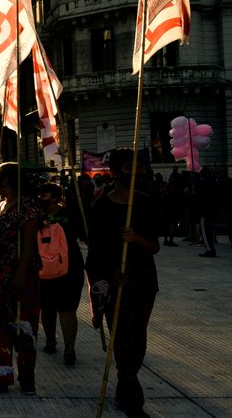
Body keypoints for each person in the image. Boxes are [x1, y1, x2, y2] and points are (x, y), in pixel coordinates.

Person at [86, 149, 160, 417]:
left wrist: (135, 237)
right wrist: (109, 273)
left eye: (140, 168)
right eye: (131, 168)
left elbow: (154, 247)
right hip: (116, 285)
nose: (137, 173)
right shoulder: (102, 206)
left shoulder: (147, 203)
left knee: (137, 342)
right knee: (123, 342)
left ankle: (123, 386)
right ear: (116, 173)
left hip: (143, 283)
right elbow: (94, 250)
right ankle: (133, 400)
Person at [0, 162, 43, 396]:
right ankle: (1, 376)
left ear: (7, 179)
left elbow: (29, 245)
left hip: (20, 277)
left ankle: (27, 378)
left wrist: (19, 274)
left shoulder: (27, 207)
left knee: (23, 328)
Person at [37, 183, 85, 366]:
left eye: (45, 194)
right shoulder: (36, 215)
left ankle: (69, 347)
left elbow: (84, 234)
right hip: (43, 268)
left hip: (69, 268)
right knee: (47, 307)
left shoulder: (70, 214)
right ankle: (50, 340)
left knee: (67, 308)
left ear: (56, 197)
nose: (41, 197)